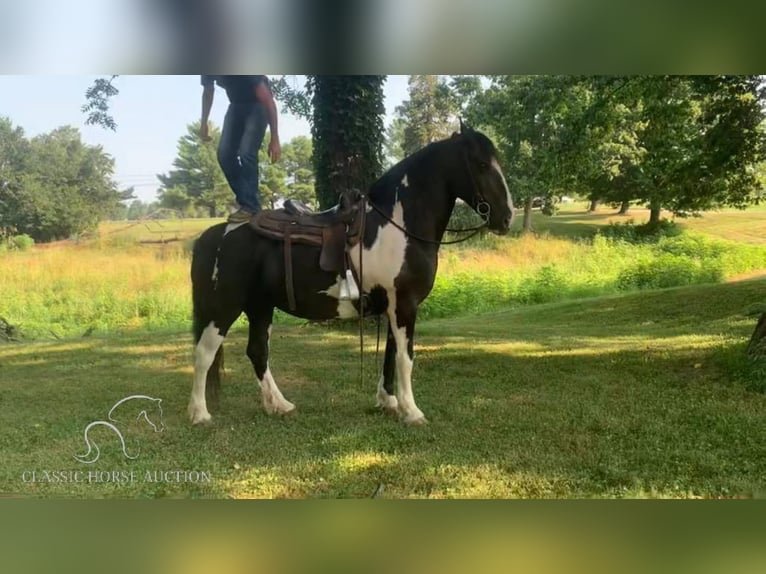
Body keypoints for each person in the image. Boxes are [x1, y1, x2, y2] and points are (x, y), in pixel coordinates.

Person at [200, 75, 281, 223]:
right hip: (236, 106)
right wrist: (204, 122)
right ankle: (247, 202)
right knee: (224, 155)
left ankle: (251, 206)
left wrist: (274, 138)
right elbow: (207, 92)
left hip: (258, 105)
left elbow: (268, 100)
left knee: (246, 152)